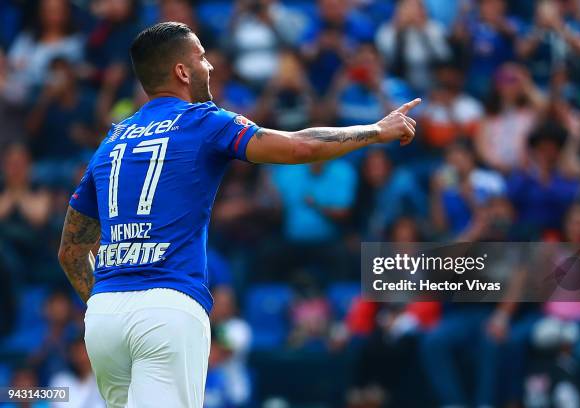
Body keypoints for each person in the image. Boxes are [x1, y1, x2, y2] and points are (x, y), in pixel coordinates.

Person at [57, 22, 420, 408]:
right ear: (182, 71)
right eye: (200, 57)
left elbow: (71, 252)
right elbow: (298, 148)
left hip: (104, 316)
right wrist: (376, 129)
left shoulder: (112, 140)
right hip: (166, 308)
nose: (209, 66)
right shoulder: (203, 121)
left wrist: (104, 302)